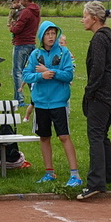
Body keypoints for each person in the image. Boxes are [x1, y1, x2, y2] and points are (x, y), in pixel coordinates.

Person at [22, 21, 82, 187]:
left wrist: (51, 72)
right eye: (47, 34)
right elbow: (26, 75)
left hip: (58, 102)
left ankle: (75, 175)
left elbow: (69, 75)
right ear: (41, 36)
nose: (51, 37)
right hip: (41, 103)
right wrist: (41, 76)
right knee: (44, 137)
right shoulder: (35, 54)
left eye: (53, 33)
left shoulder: (64, 53)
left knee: (64, 136)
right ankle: (49, 172)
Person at [77, 1, 111, 200]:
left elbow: (97, 69)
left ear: (95, 18)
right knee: (102, 136)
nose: (82, 20)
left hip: (101, 95)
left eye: (85, 16)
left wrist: (89, 92)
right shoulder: (110, 36)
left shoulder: (99, 40)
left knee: (95, 136)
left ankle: (95, 183)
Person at [8, 0, 40, 107]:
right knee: (31, 71)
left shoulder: (26, 12)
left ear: (25, 0)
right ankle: (36, 97)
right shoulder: (37, 11)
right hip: (32, 43)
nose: (20, 2)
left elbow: (18, 28)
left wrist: (12, 28)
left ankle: (19, 100)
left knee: (17, 71)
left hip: (21, 44)